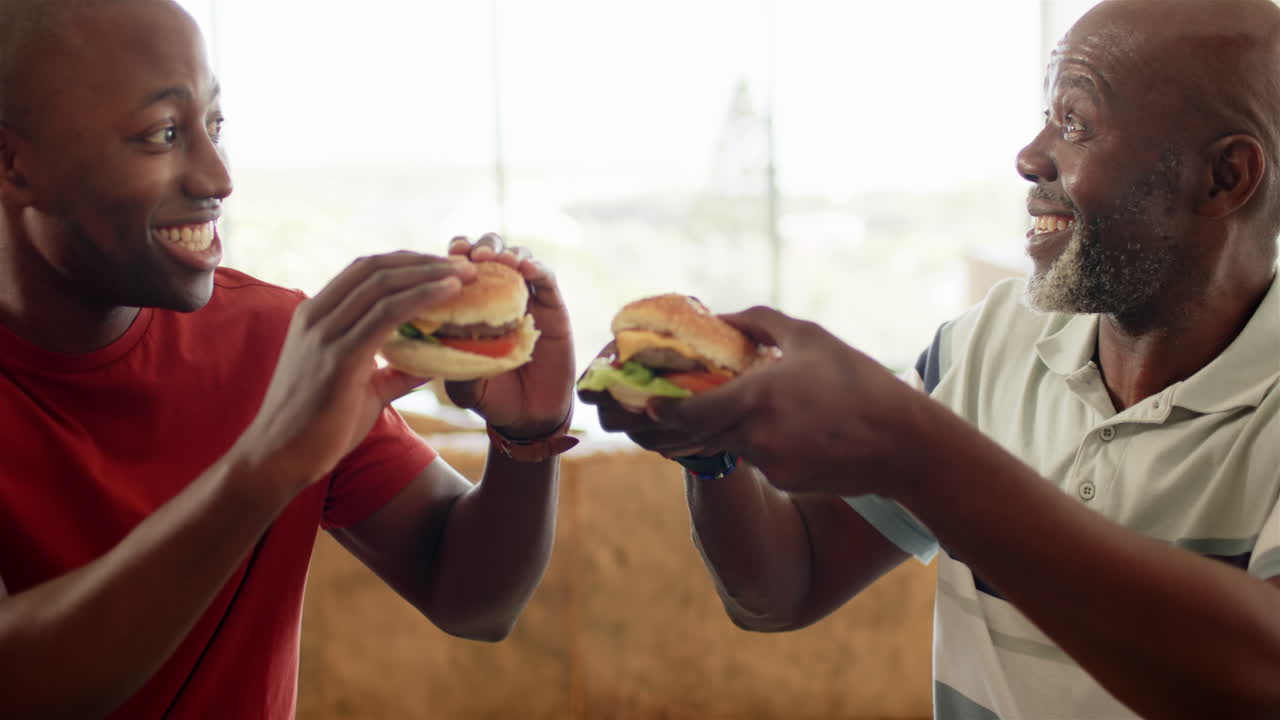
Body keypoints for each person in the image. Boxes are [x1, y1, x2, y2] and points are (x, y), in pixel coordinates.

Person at [580, 0, 1280, 717]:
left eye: (1075, 122)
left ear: (1225, 177)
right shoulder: (987, 343)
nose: (1030, 155)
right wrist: (711, 452)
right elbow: (783, 585)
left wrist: (917, 453)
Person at [0, 0, 576, 717]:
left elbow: (473, 600)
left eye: (215, 126)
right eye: (163, 134)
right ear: (14, 165)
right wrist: (264, 467)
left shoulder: (281, 340)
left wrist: (526, 439)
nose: (218, 178)